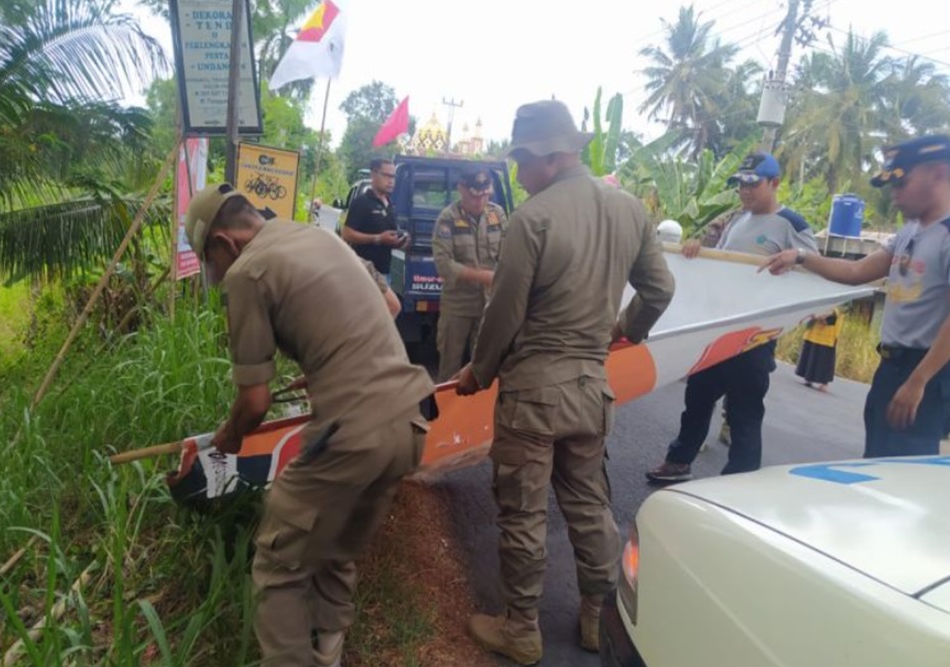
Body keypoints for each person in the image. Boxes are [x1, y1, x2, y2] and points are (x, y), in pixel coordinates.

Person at [454, 100, 676, 663]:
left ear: (545, 157)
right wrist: (622, 332)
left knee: (524, 512)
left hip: (533, 395)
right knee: (589, 505)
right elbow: (661, 290)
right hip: (591, 392)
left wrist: (478, 373)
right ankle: (597, 618)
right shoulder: (630, 211)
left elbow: (502, 316)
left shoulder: (534, 218)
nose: (516, 176)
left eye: (519, 163)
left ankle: (521, 630)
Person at [183, 183, 435, 667]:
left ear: (223, 244)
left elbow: (254, 402)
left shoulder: (247, 272)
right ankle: (328, 649)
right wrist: (323, 364)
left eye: (211, 263)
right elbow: (389, 308)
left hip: (351, 432)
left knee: (277, 562)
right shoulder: (316, 236)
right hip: (410, 421)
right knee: (334, 540)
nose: (218, 274)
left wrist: (229, 436)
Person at [761, 134, 950, 459]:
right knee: (876, 462)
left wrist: (918, 381)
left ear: (938, 173)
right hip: (891, 365)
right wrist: (802, 257)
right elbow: (856, 272)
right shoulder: (909, 232)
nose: (895, 196)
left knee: (900, 472)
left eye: (902, 183)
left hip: (925, 372)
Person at [646, 152, 820, 483]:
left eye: (753, 184)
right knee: (696, 400)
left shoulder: (792, 225)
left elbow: (813, 268)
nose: (744, 190)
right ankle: (679, 461)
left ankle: (739, 482)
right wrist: (698, 250)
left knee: (744, 413)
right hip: (718, 329)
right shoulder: (737, 220)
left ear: (775, 183)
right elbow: (720, 263)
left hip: (755, 335)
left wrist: (795, 262)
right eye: (740, 184)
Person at [432, 165, 509, 382]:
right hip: (457, 305)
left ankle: (478, 415)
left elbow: (508, 254)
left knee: (484, 368)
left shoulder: (498, 215)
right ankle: (445, 415)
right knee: (449, 368)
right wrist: (482, 276)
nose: (480, 201)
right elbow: (444, 265)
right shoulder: (447, 219)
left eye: (484, 195)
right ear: (461, 189)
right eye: (474, 196)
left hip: (489, 305)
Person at [340, 157, 409, 280]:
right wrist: (378, 238)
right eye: (386, 176)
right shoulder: (362, 202)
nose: (391, 181)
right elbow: (347, 234)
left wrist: (399, 241)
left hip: (384, 272)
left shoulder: (390, 205)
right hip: (362, 272)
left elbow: (387, 237)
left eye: (393, 177)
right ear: (373, 175)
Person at [795, 306, 844, 391]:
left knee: (824, 356)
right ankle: (808, 377)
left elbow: (842, 308)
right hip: (815, 327)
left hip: (830, 329)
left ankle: (824, 382)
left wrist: (828, 314)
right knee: (811, 352)